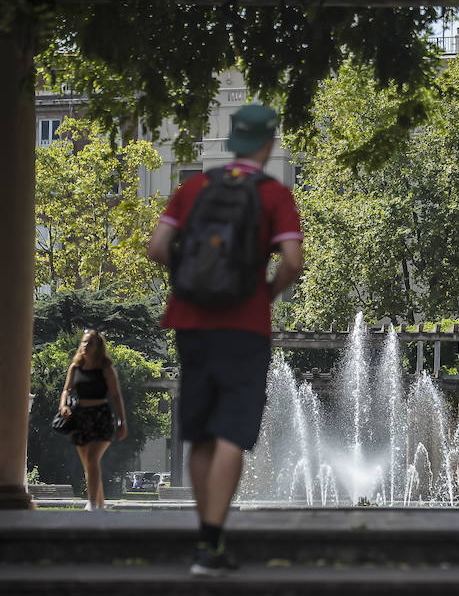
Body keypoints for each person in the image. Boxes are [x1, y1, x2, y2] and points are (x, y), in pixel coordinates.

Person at [147, 103, 303, 577]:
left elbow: (156, 248)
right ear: (268, 144)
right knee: (233, 432)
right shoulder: (274, 194)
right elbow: (292, 262)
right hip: (244, 326)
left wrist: (190, 284)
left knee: (199, 432)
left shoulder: (193, 187)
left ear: (232, 141)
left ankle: (205, 537)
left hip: (190, 323)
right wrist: (265, 294)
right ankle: (211, 542)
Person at [58, 329, 128, 511]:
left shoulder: (106, 369)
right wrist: (63, 405)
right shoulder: (75, 368)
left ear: (98, 347)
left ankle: (92, 503)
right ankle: (100, 505)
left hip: (101, 416)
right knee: (89, 464)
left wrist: (122, 421)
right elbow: (66, 390)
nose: (85, 345)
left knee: (92, 459)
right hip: (80, 416)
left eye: (89, 342)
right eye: (84, 342)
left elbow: (115, 395)